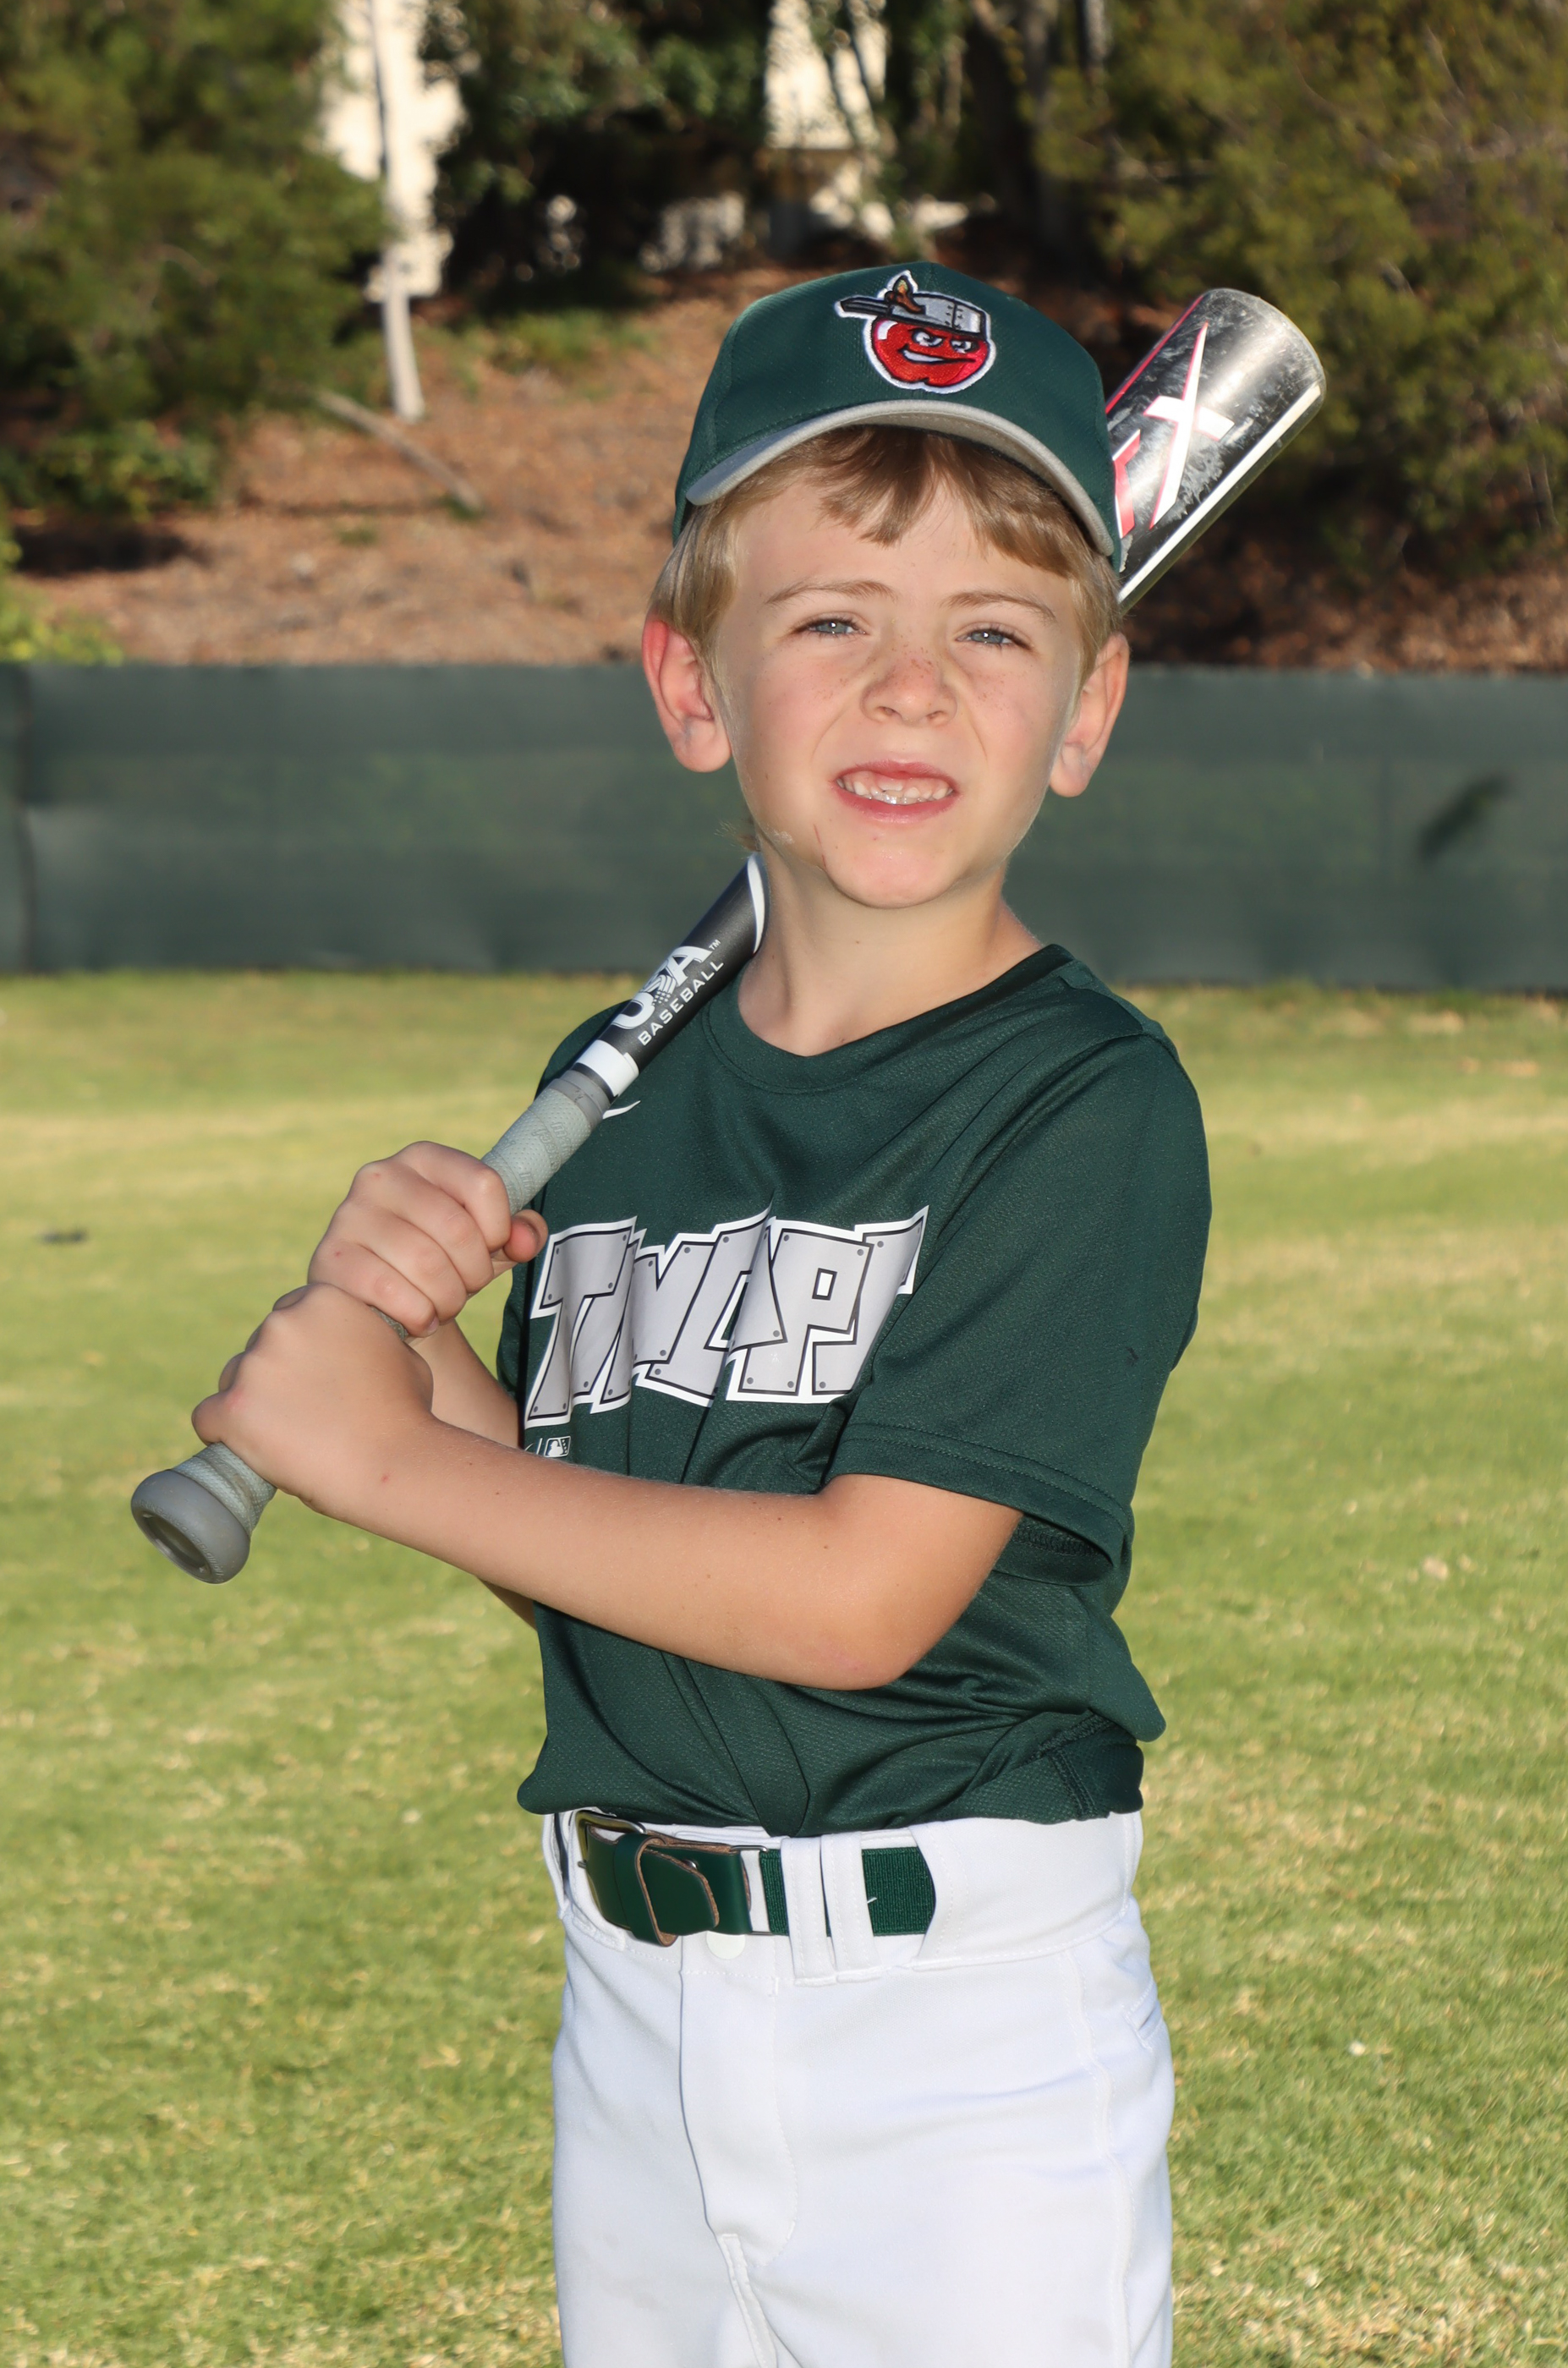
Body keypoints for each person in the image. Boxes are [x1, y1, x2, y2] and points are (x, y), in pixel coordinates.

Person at [195, 264, 1211, 2368]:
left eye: (993, 632)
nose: (910, 687)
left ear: (1086, 711)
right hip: (638, 2011)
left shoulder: (1079, 1101)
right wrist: (431, 1381)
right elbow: (614, 1545)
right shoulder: (631, 1089)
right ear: (691, 684)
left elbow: (853, 1600)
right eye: (830, 621)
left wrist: (388, 1467)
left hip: (951, 2041)